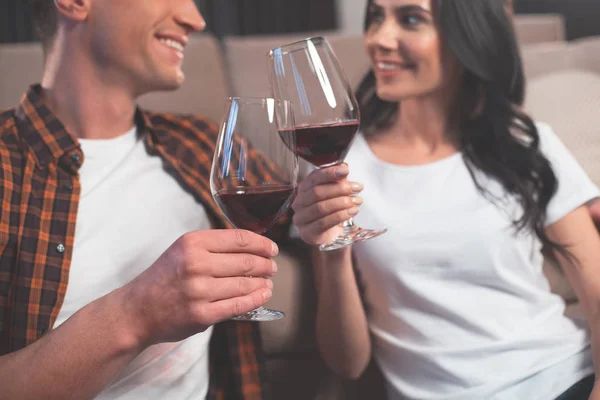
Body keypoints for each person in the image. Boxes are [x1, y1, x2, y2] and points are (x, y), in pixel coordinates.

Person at [292, 0, 600, 399]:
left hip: (564, 378)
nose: (379, 39)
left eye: (411, 20)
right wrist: (333, 254)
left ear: (466, 38)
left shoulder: (525, 143)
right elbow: (347, 363)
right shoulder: (338, 167)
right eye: (376, 18)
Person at [0, 0, 282, 399]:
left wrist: (317, 215)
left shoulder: (200, 143)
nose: (195, 19)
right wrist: (137, 313)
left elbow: (293, 214)